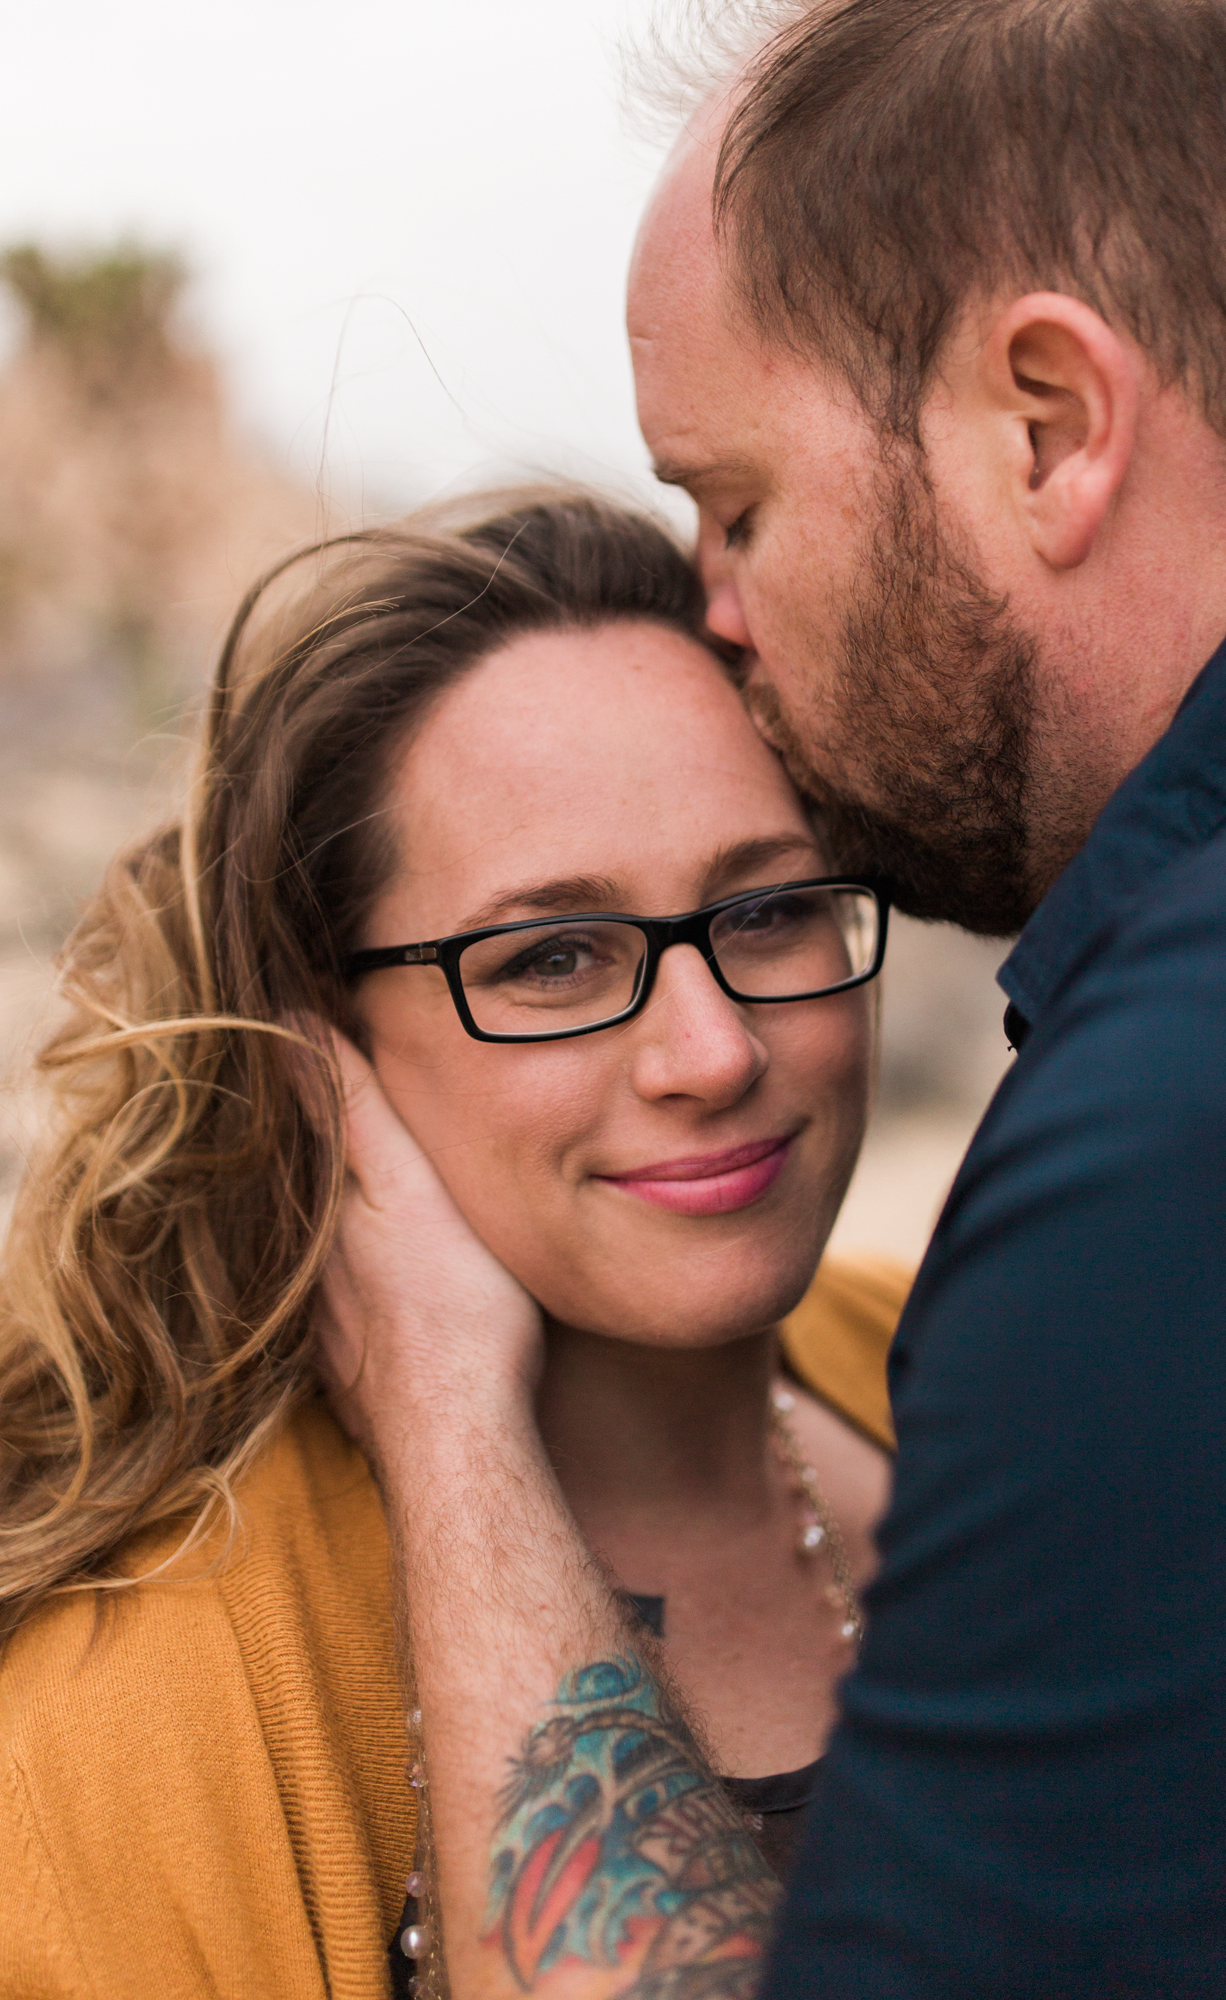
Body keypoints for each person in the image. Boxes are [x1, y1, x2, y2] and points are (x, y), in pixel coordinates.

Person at [324, 1, 1226, 1995]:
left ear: (1049, 425)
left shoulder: (1150, 1166)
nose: (713, 614)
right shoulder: (170, 1662)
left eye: (735, 507)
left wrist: (455, 1438)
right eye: (549, 955)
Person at [0, 488, 910, 1995]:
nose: (710, 1050)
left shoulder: (958, 1363)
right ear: (324, 1045)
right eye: (552, 957)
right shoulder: (135, 1722)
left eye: (765, 909)